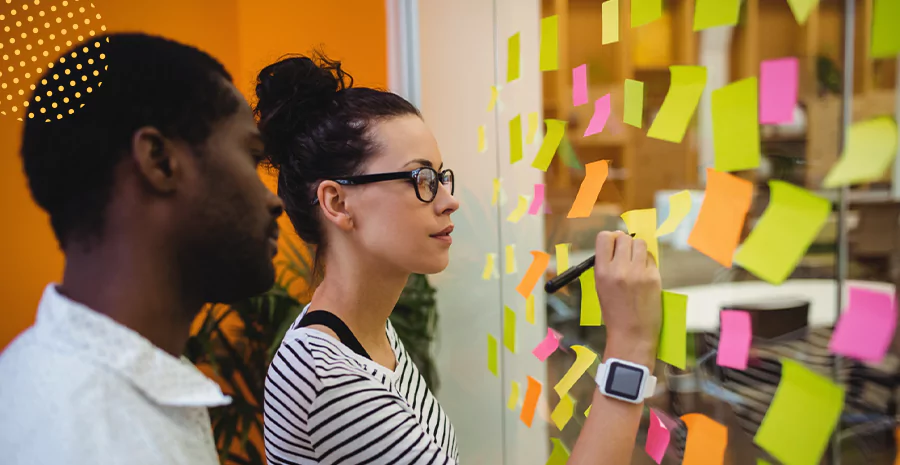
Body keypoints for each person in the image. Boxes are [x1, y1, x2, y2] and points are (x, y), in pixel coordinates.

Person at [256, 52, 662, 465]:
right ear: (337, 202)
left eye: (441, 176)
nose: (449, 201)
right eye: (421, 179)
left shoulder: (367, 335)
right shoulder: (331, 379)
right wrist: (630, 343)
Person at [0, 33, 284, 464]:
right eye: (250, 156)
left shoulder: (127, 394)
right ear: (160, 160)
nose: (273, 200)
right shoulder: (74, 439)